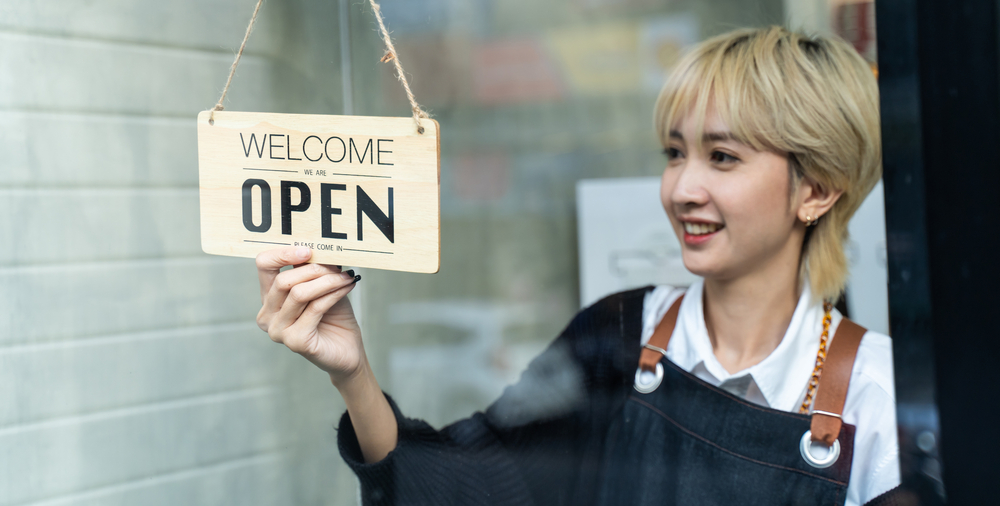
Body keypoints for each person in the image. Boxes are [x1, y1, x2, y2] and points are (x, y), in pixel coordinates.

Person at [254, 26, 899, 505]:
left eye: (722, 157)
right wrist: (353, 371)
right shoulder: (615, 337)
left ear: (816, 189)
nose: (681, 188)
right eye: (675, 153)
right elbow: (474, 485)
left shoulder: (878, 398)